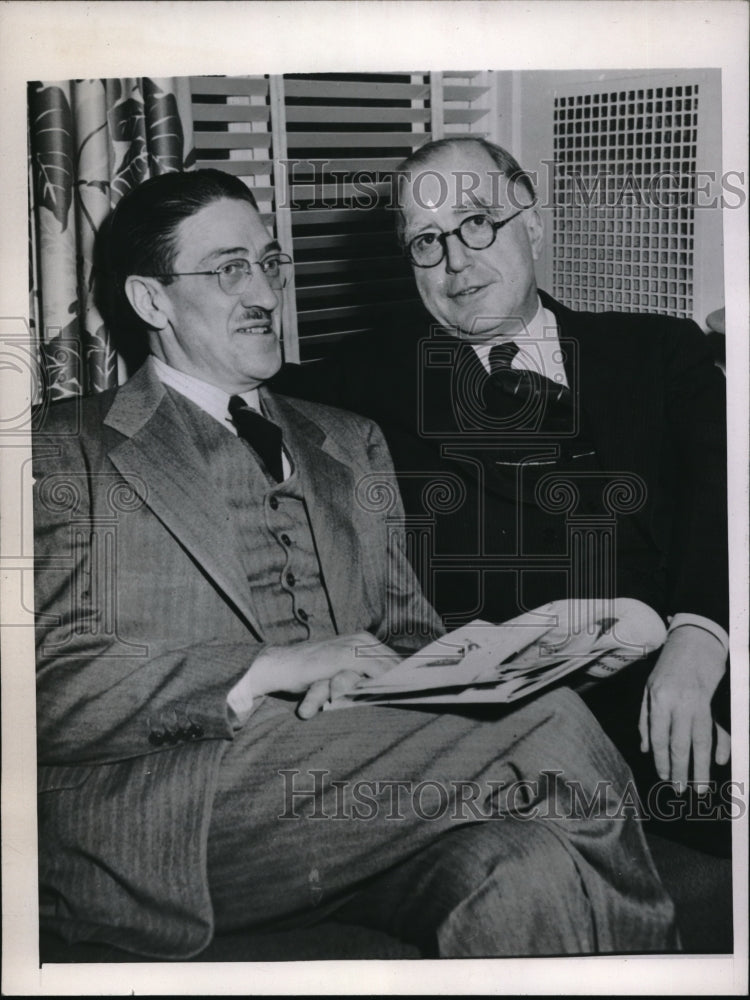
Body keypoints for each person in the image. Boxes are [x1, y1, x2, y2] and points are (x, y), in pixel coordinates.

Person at [34, 168, 676, 961]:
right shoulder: (61, 448)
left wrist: (403, 676)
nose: (265, 292)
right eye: (229, 269)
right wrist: (272, 666)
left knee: (528, 867)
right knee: (543, 724)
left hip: (356, 798)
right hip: (177, 816)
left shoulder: (347, 439)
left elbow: (407, 631)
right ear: (152, 301)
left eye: (269, 264)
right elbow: (43, 687)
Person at [276, 137, 730, 813]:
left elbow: (726, 490)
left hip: (712, 643)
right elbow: (237, 379)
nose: (456, 260)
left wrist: (700, 637)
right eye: (427, 241)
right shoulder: (374, 381)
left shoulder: (659, 351)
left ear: (533, 222)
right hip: (560, 717)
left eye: (478, 221)